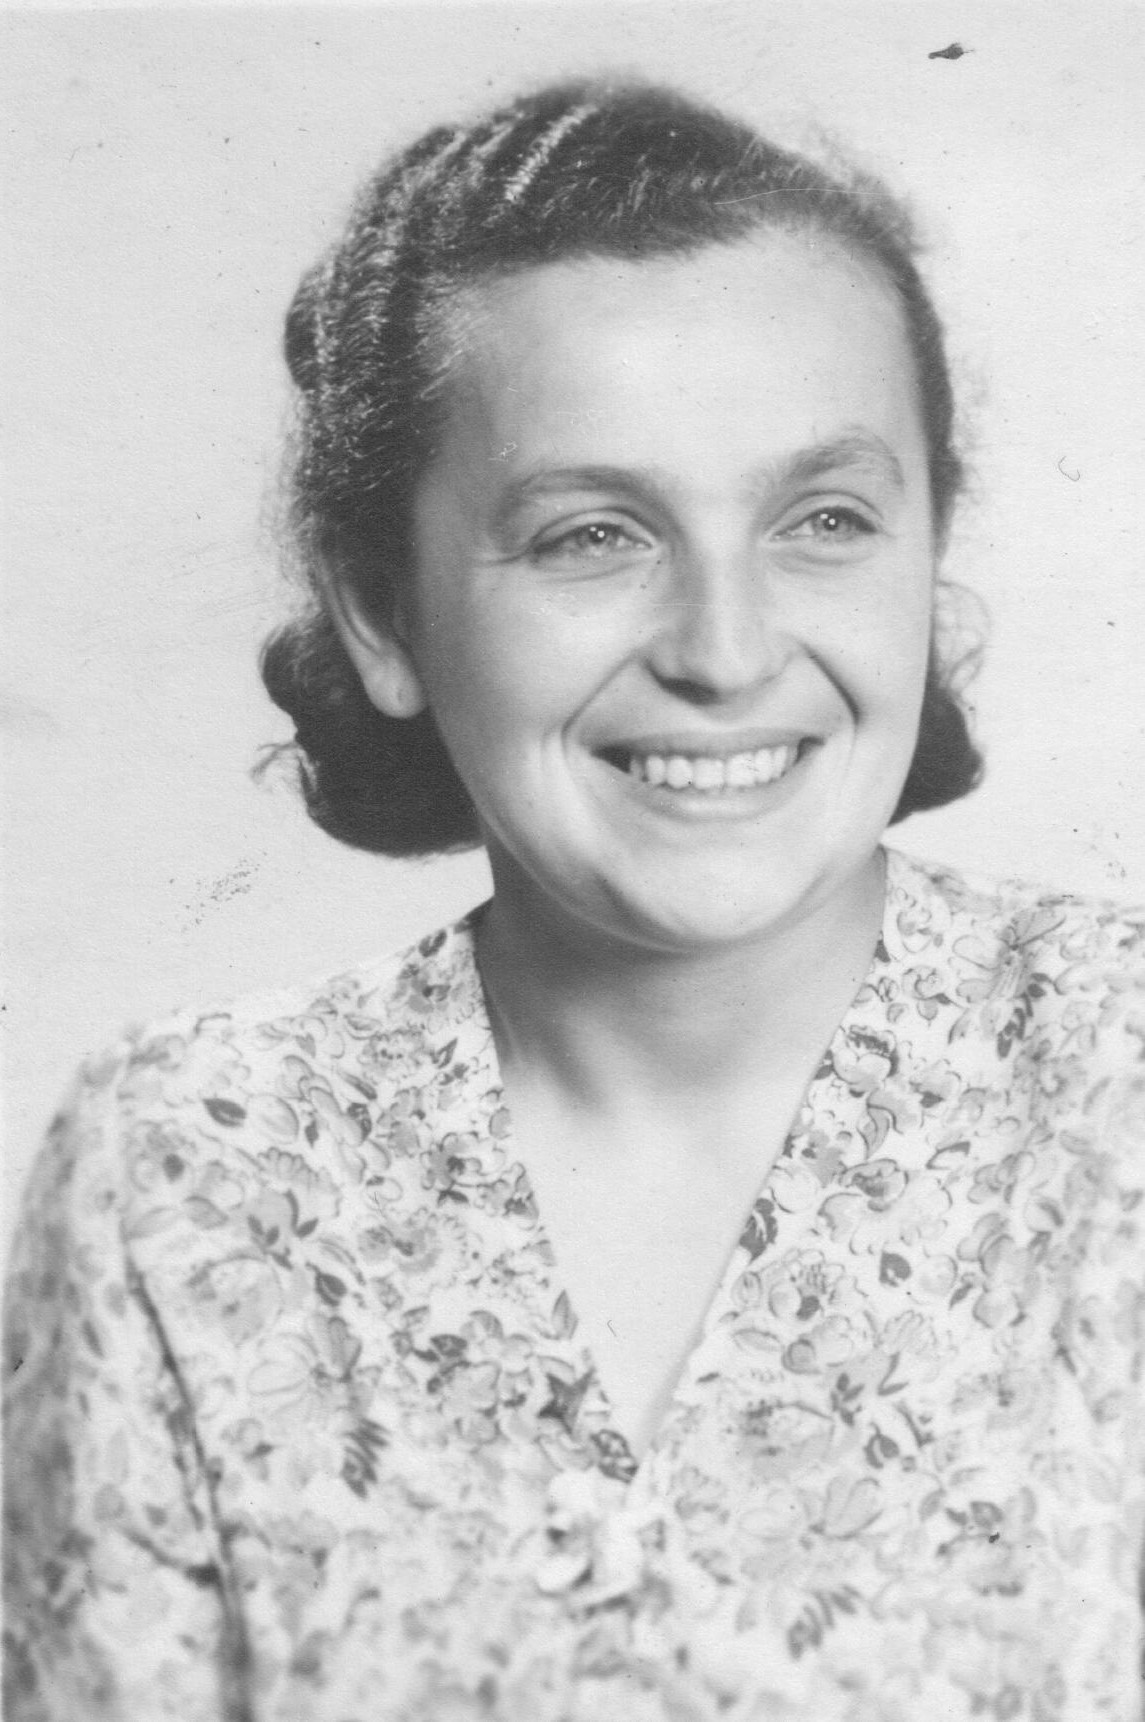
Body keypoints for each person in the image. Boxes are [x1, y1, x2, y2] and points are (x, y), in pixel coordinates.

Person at [4, 78, 1144, 1722]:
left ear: (927, 549)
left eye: (824, 519)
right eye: (591, 534)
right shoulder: (186, 1169)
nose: (725, 650)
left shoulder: (1115, 1079)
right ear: (381, 611)